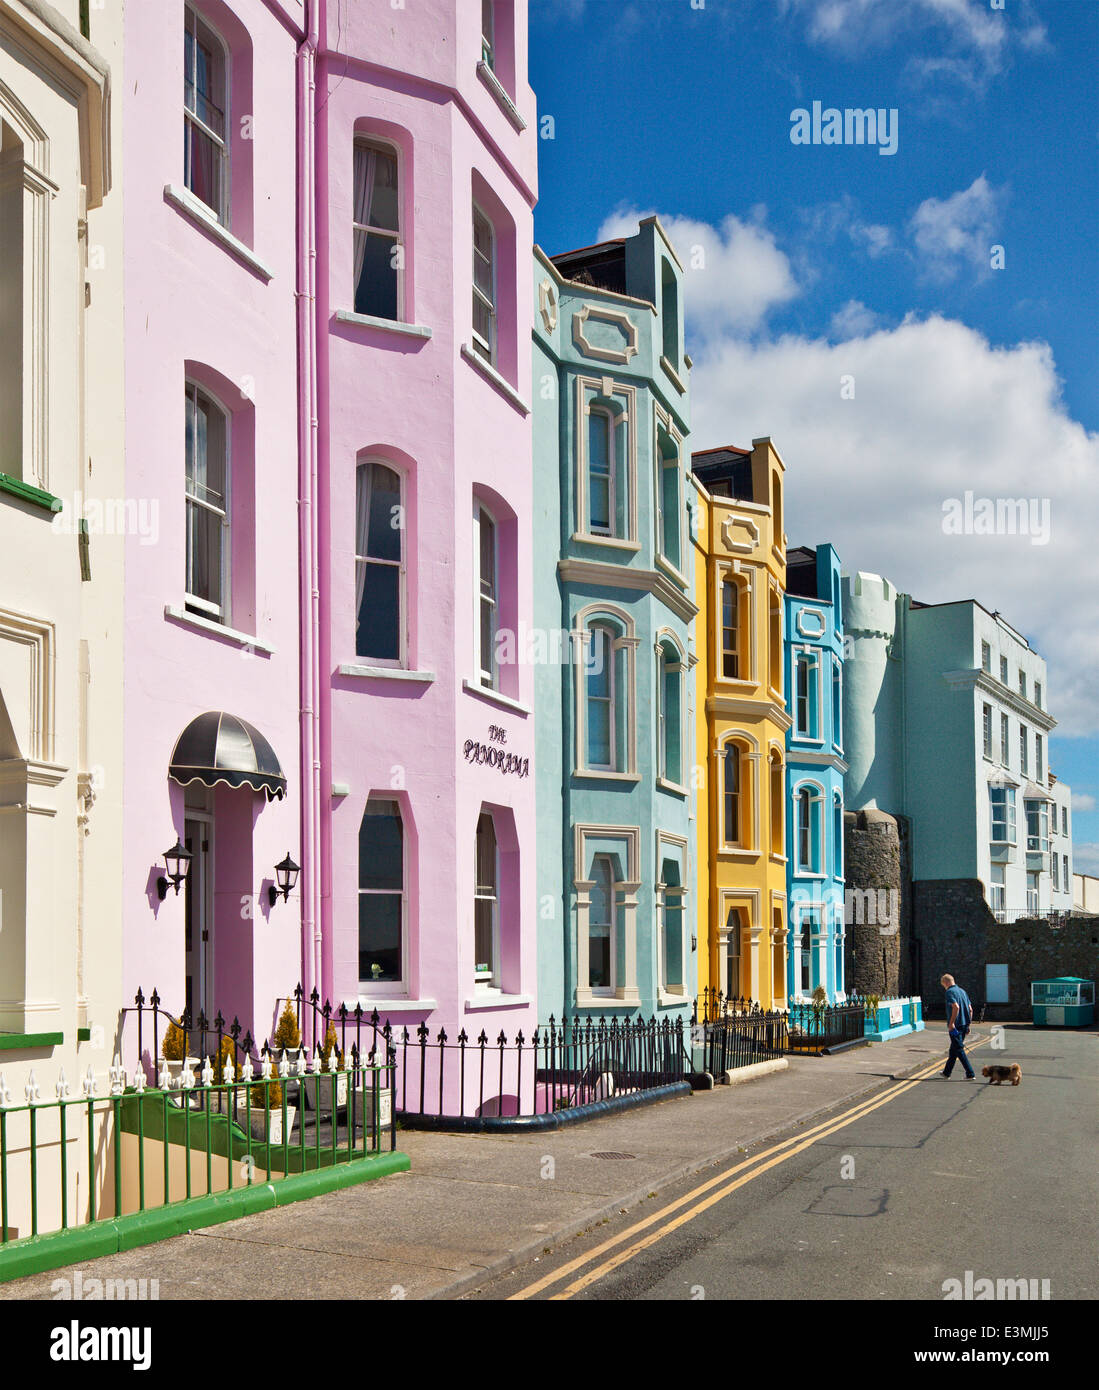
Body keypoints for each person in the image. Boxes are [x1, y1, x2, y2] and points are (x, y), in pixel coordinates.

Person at [940, 973, 975, 1079]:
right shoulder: (962, 991)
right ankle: (947, 1072)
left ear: (946, 983)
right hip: (964, 1025)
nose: (944, 987)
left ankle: (970, 1073)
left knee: (959, 1049)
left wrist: (951, 1023)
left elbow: (956, 1007)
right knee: (954, 1049)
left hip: (956, 1026)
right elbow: (970, 1009)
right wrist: (968, 1024)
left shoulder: (949, 992)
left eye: (943, 985)